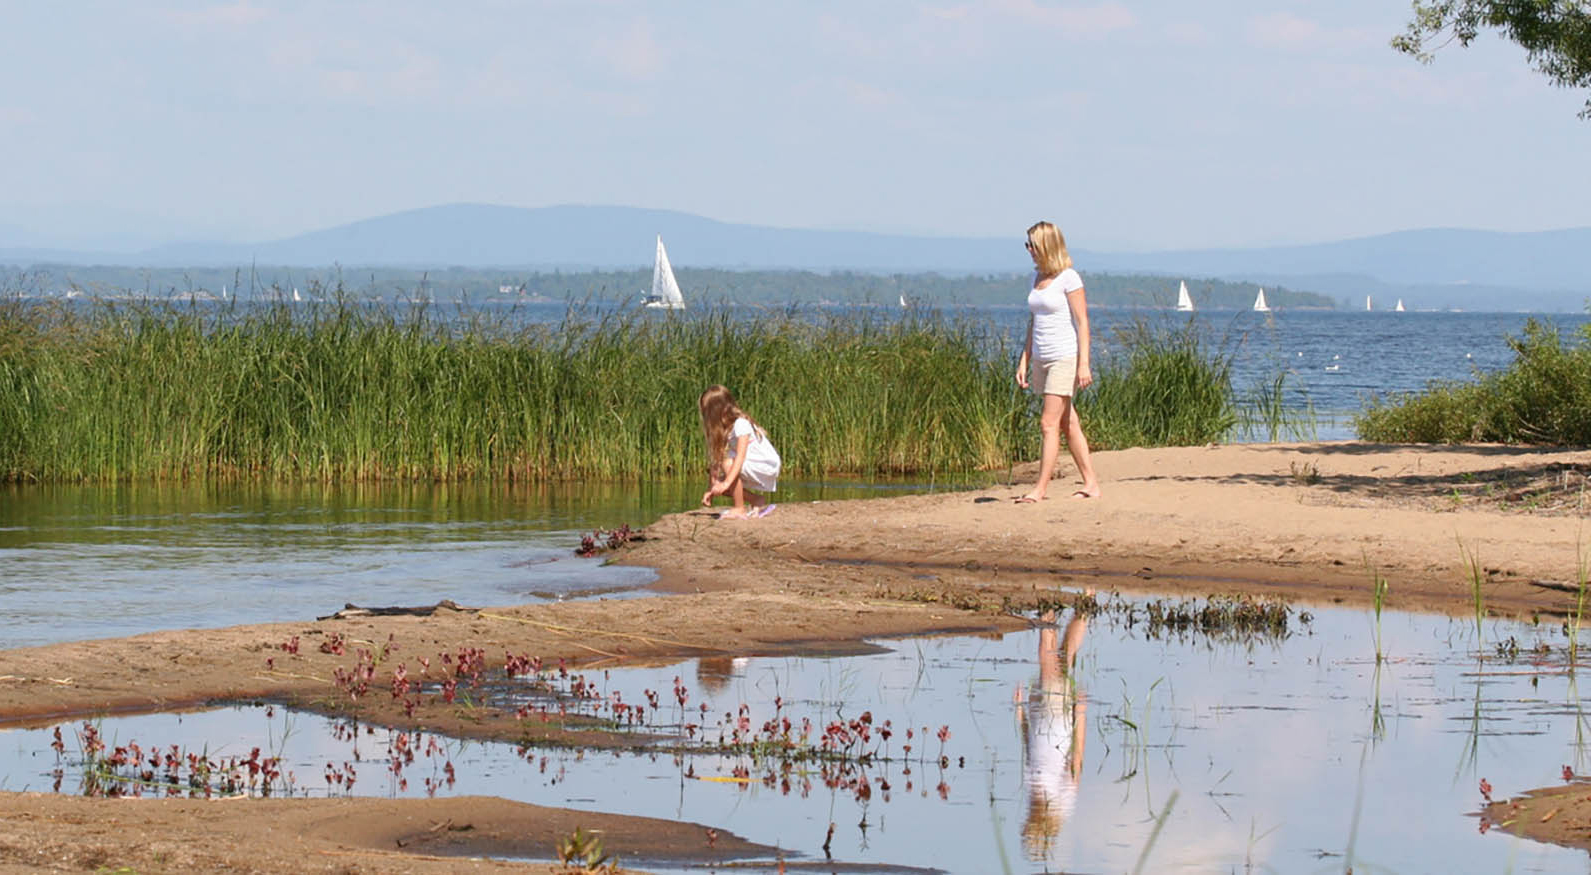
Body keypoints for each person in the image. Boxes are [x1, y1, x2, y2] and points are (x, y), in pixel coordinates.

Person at [1015, 221, 1101, 502]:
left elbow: (1082, 322)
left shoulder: (1069, 278)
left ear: (1045, 245)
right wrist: (1024, 359)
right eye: (1027, 245)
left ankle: (1040, 489)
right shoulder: (1037, 278)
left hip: (1064, 356)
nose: (1028, 250)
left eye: (1032, 245)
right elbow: (1034, 322)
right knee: (1068, 422)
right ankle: (1091, 484)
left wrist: (1084, 363)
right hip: (1041, 357)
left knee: (1048, 424)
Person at [1015, 607, 1088, 861]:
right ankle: (1053, 604)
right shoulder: (1061, 804)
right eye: (1030, 830)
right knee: (1053, 658)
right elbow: (1077, 760)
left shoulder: (1032, 798)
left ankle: (1069, 604)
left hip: (1039, 717)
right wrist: (1080, 714)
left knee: (1060, 658)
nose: (1026, 824)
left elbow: (1030, 753)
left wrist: (1021, 715)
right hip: (1058, 723)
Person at [698, 385, 781, 519]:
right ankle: (755, 500)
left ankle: (739, 508)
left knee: (728, 465)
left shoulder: (740, 424)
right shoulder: (723, 430)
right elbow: (716, 460)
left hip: (766, 465)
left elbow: (740, 457)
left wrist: (726, 483)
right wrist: (712, 487)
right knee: (720, 481)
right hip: (750, 464)